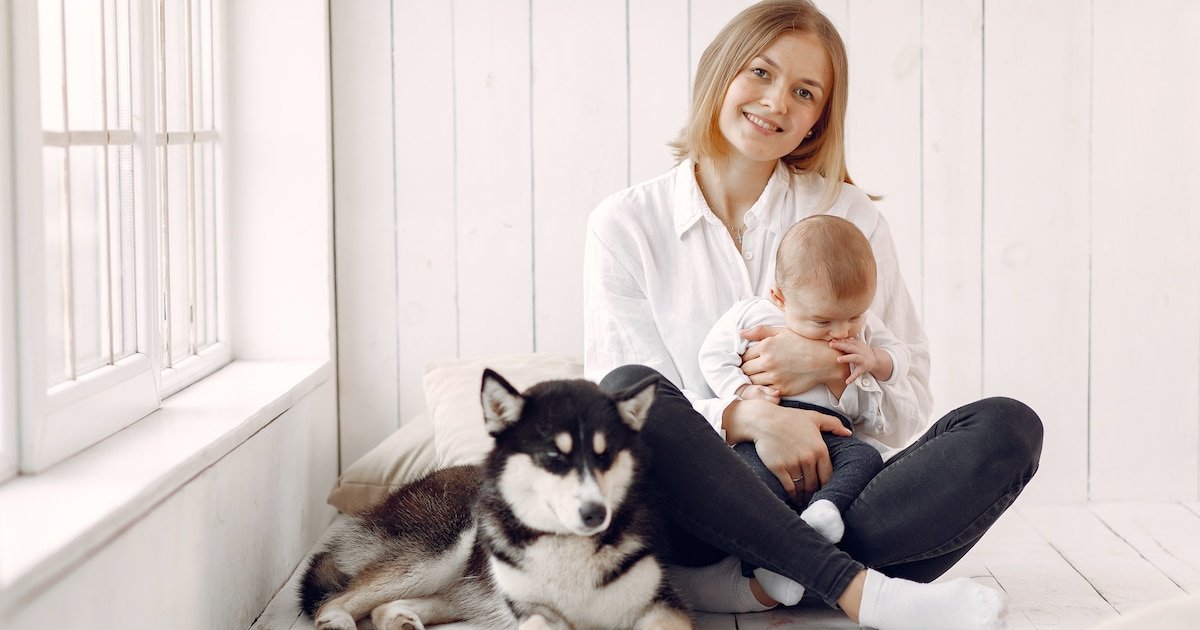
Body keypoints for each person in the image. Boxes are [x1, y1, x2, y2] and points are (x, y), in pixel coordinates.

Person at [582, 1, 1043, 628]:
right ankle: (856, 589)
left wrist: (829, 367)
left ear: (818, 120)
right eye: (760, 72)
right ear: (719, 71)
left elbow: (908, 406)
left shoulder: (850, 216)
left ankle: (763, 583)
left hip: (841, 499)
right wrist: (755, 418)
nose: (776, 102)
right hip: (702, 517)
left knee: (1008, 427)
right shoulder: (626, 224)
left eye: (804, 92)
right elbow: (627, 417)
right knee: (623, 389)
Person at [699, 214, 897, 546]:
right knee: (750, 480)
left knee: (866, 459)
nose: (841, 331)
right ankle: (770, 555)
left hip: (834, 436)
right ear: (780, 298)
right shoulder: (753, 314)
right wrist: (744, 391)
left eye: (854, 317)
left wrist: (874, 358)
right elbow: (712, 356)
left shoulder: (860, 325)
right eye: (822, 322)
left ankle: (825, 509)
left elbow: (900, 357)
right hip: (765, 436)